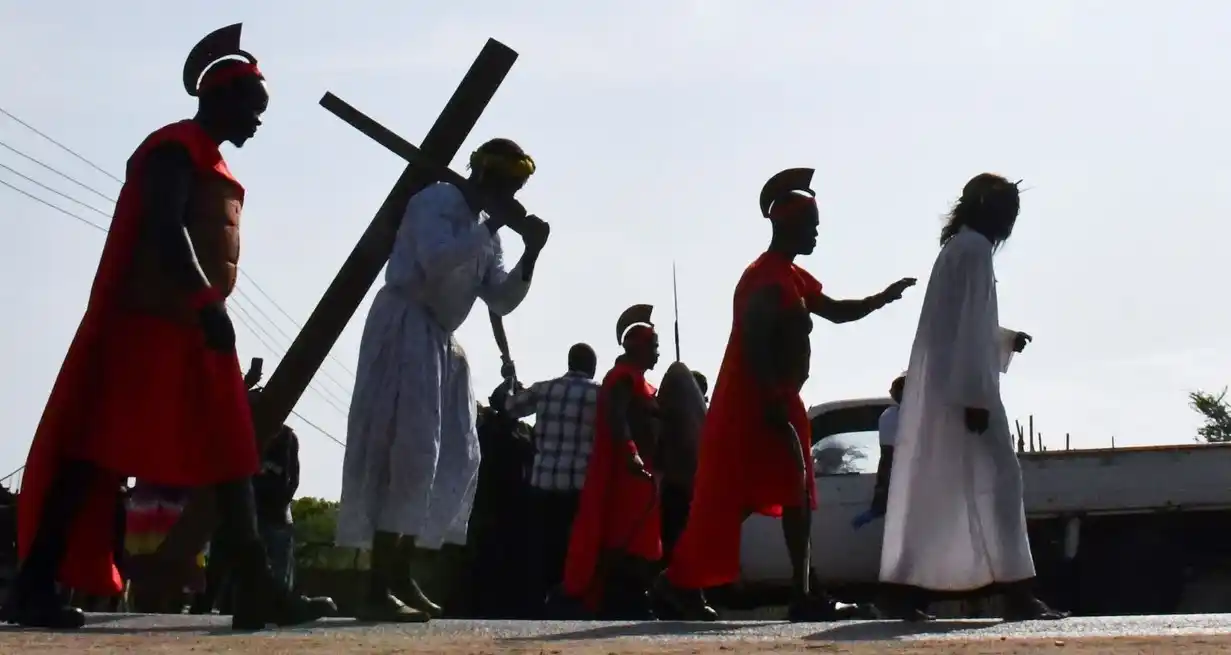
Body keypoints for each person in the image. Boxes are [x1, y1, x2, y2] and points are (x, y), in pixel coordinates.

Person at [2, 24, 334, 630]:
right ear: (218, 97)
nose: (258, 120)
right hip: (152, 327)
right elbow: (162, 225)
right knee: (96, 454)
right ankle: (33, 584)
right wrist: (207, 300)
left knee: (233, 454)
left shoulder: (212, 160)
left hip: (194, 327)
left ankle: (257, 588)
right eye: (252, 106)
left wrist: (208, 310)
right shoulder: (172, 148)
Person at [654, 168, 916, 622]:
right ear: (786, 224)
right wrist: (773, 399)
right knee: (746, 498)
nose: (817, 231)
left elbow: (834, 311)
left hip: (776, 400)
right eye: (810, 223)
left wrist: (881, 299)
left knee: (777, 497)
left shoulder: (792, 276)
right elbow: (753, 340)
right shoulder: (764, 278)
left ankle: (699, 583)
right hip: (759, 403)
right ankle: (698, 583)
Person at [337, 137, 551, 622]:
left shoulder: (486, 233)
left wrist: (530, 255)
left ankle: (400, 570)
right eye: (507, 185)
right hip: (405, 325)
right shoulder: (436, 201)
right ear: (483, 177)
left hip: (439, 341)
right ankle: (377, 582)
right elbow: (435, 261)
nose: (512, 196)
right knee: (404, 449)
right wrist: (490, 226)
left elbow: (500, 299)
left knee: (445, 455)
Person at [878, 173, 1065, 622]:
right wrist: (977, 398)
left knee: (944, 490)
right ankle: (1018, 595)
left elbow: (959, 327)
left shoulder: (958, 248)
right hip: (966, 392)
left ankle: (909, 593)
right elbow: (965, 331)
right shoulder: (975, 250)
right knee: (1000, 484)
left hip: (948, 390)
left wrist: (1003, 339)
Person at [560, 306, 663, 619]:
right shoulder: (621, 378)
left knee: (641, 537)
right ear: (637, 346)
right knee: (625, 537)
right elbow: (616, 417)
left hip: (643, 472)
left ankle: (632, 599)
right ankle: (620, 601)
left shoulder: (640, 381)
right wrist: (630, 451)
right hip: (627, 471)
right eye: (654, 346)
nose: (658, 353)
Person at [502, 343, 600, 615]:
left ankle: (537, 604)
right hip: (579, 485)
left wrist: (511, 383)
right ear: (592, 366)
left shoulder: (545, 389)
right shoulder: (599, 394)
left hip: (542, 481)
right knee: (571, 549)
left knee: (541, 548)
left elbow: (510, 407)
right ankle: (567, 601)